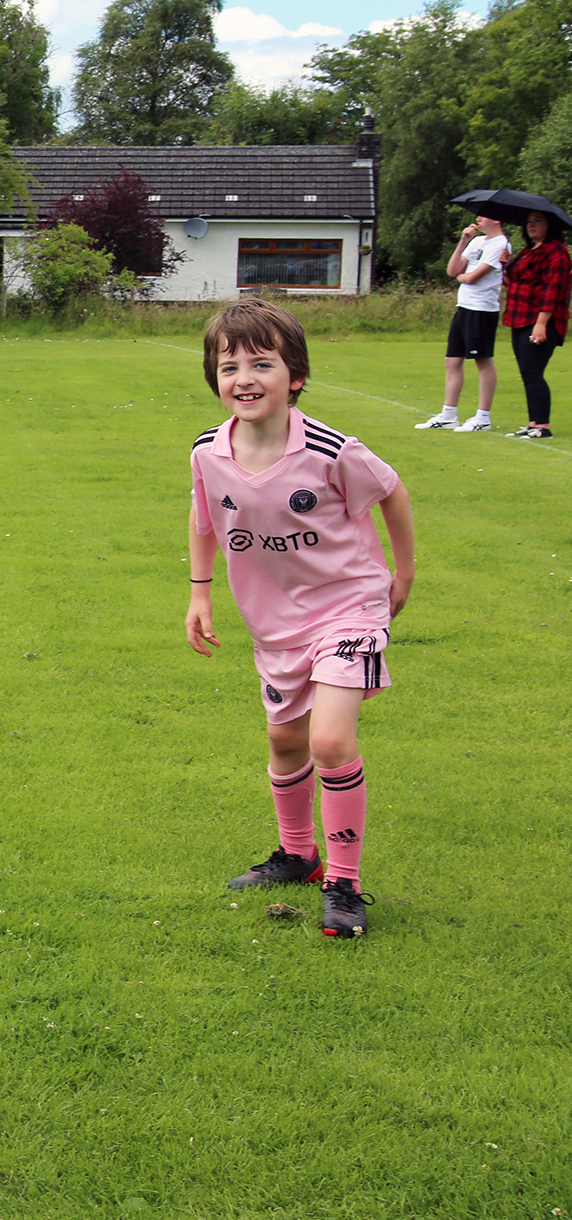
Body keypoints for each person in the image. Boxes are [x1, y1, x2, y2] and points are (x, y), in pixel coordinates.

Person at [185, 298, 415, 939]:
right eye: (229, 367)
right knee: (285, 743)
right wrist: (200, 593)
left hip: (350, 608)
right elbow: (205, 520)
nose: (245, 378)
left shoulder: (330, 451)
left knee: (331, 742)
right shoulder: (208, 452)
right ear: (215, 379)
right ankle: (298, 854)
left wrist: (403, 573)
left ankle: (345, 884)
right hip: (274, 625)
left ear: (296, 377)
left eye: (263, 363)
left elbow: (392, 491)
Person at [416, 215, 508, 431]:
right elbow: (452, 270)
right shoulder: (477, 241)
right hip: (464, 306)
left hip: (482, 309)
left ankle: (483, 417)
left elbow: (472, 276)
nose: (477, 219)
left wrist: (462, 276)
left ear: (496, 219)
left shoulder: (501, 244)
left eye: (483, 215)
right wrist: (463, 241)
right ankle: (449, 415)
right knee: (452, 360)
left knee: (482, 360)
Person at [502, 208, 571, 439]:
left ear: (549, 225)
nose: (532, 225)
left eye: (538, 221)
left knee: (533, 372)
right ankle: (533, 424)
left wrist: (541, 323)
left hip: (540, 319)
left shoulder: (556, 251)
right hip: (519, 317)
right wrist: (508, 265)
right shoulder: (528, 251)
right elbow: (514, 283)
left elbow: (554, 289)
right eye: (529, 221)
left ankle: (543, 425)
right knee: (527, 372)